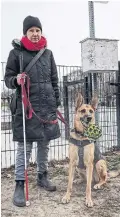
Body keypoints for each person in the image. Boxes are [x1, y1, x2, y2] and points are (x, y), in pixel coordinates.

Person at [4, 15, 61, 207]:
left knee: (44, 144)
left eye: (37, 30)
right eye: (31, 31)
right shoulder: (16, 53)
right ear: (25, 33)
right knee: (24, 146)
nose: (35, 34)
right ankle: (20, 183)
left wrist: (56, 101)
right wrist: (16, 80)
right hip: (26, 106)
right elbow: (8, 79)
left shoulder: (48, 53)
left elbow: (54, 80)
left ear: (41, 32)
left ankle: (42, 176)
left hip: (47, 106)